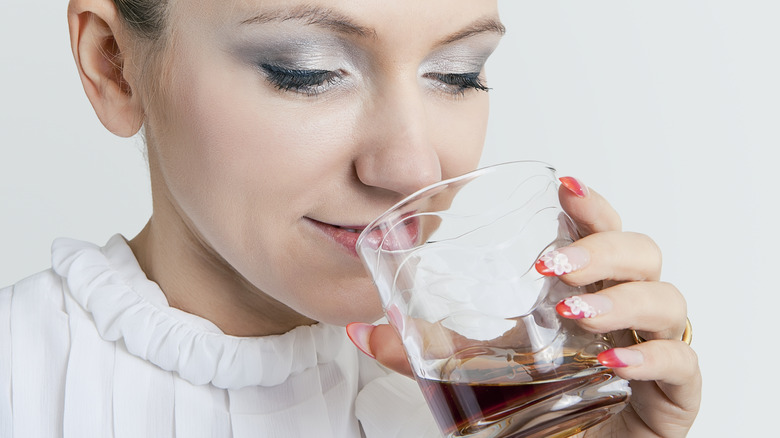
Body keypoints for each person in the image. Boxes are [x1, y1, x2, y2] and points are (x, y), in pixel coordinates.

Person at [0, 0, 701, 437]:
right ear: (113, 63)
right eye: (306, 71)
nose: (413, 168)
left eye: (458, 73)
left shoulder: (484, 411)